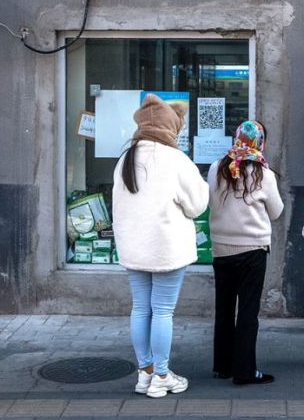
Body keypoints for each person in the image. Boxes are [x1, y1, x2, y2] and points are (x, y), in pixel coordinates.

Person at [112, 94, 209, 398]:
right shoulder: (175, 159)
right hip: (166, 249)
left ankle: (145, 373)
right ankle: (162, 376)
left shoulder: (125, 158)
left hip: (133, 248)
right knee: (163, 311)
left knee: (141, 309)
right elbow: (197, 205)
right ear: (170, 128)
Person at [207, 120, 283, 386]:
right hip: (252, 251)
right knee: (248, 312)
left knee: (224, 308)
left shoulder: (216, 168)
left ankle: (223, 365)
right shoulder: (263, 173)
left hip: (221, 249)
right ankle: (245, 371)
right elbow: (277, 211)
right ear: (260, 142)